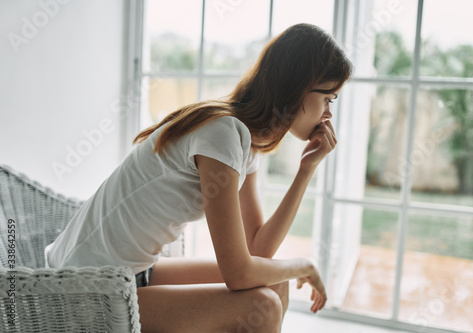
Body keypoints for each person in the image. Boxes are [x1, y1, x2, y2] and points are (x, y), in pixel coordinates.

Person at [45, 23, 353, 332]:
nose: (328, 113)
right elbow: (238, 272)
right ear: (299, 86)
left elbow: (258, 250)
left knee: (275, 285)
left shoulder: (246, 142)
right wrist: (306, 265)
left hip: (133, 273)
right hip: (84, 288)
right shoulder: (223, 132)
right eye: (329, 98)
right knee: (265, 304)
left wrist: (306, 170)